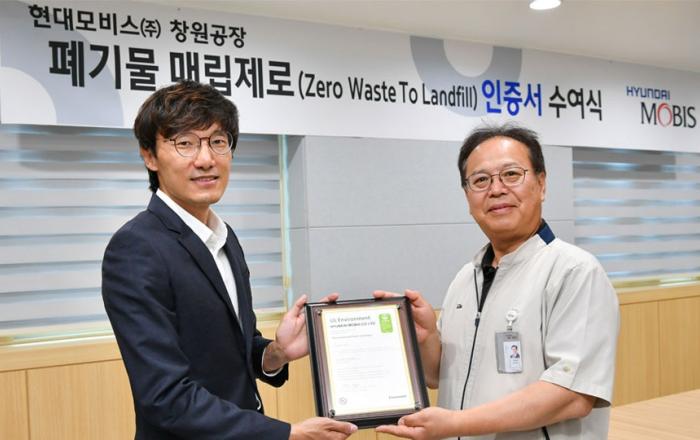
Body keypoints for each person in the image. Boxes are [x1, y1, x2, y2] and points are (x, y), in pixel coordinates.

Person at [102, 80, 357, 440]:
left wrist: (275, 353)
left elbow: (230, 351)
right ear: (149, 156)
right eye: (185, 143)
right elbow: (165, 398)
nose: (206, 159)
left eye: (218, 142)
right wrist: (286, 434)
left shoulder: (224, 237)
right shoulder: (136, 248)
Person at [375, 123, 619, 440]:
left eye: (511, 175)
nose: (496, 189)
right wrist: (427, 339)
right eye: (480, 180)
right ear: (467, 196)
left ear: (542, 184)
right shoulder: (466, 277)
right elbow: (439, 376)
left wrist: (457, 424)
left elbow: (572, 394)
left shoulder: (575, 271)